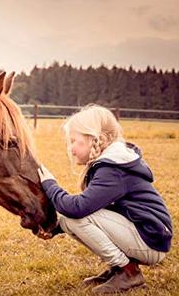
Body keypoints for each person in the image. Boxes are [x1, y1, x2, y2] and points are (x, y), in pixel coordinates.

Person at [38, 105, 173, 294]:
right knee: (68, 219)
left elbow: (78, 209)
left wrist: (50, 184)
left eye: (74, 141)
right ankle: (118, 269)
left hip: (151, 240)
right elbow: (99, 209)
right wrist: (55, 228)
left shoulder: (112, 169)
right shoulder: (111, 164)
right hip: (147, 235)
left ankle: (128, 272)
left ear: (94, 140)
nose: (72, 149)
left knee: (72, 216)